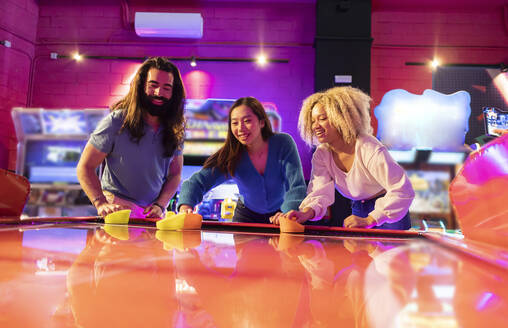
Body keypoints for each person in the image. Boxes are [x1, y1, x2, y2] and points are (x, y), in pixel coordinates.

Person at [278, 86, 415, 229]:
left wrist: (371, 219)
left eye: (323, 119)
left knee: (390, 252)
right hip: (358, 207)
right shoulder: (322, 154)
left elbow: (402, 190)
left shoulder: (368, 147)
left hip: (389, 208)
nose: (315, 126)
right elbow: (319, 192)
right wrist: (305, 213)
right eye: (312, 121)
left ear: (342, 118)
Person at [77, 57, 185, 218]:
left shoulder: (174, 129)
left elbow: (175, 175)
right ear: (141, 86)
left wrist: (160, 205)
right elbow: (85, 167)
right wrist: (100, 203)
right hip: (118, 207)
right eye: (153, 85)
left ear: (173, 93)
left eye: (166, 88)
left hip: (152, 213)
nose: (159, 93)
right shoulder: (117, 120)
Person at [177, 97, 307, 223]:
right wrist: (185, 206)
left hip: (281, 215)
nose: (240, 128)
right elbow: (198, 182)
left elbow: (296, 185)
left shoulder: (283, 143)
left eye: (247, 121)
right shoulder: (232, 154)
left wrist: (289, 212)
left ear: (262, 122)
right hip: (246, 217)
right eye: (235, 123)